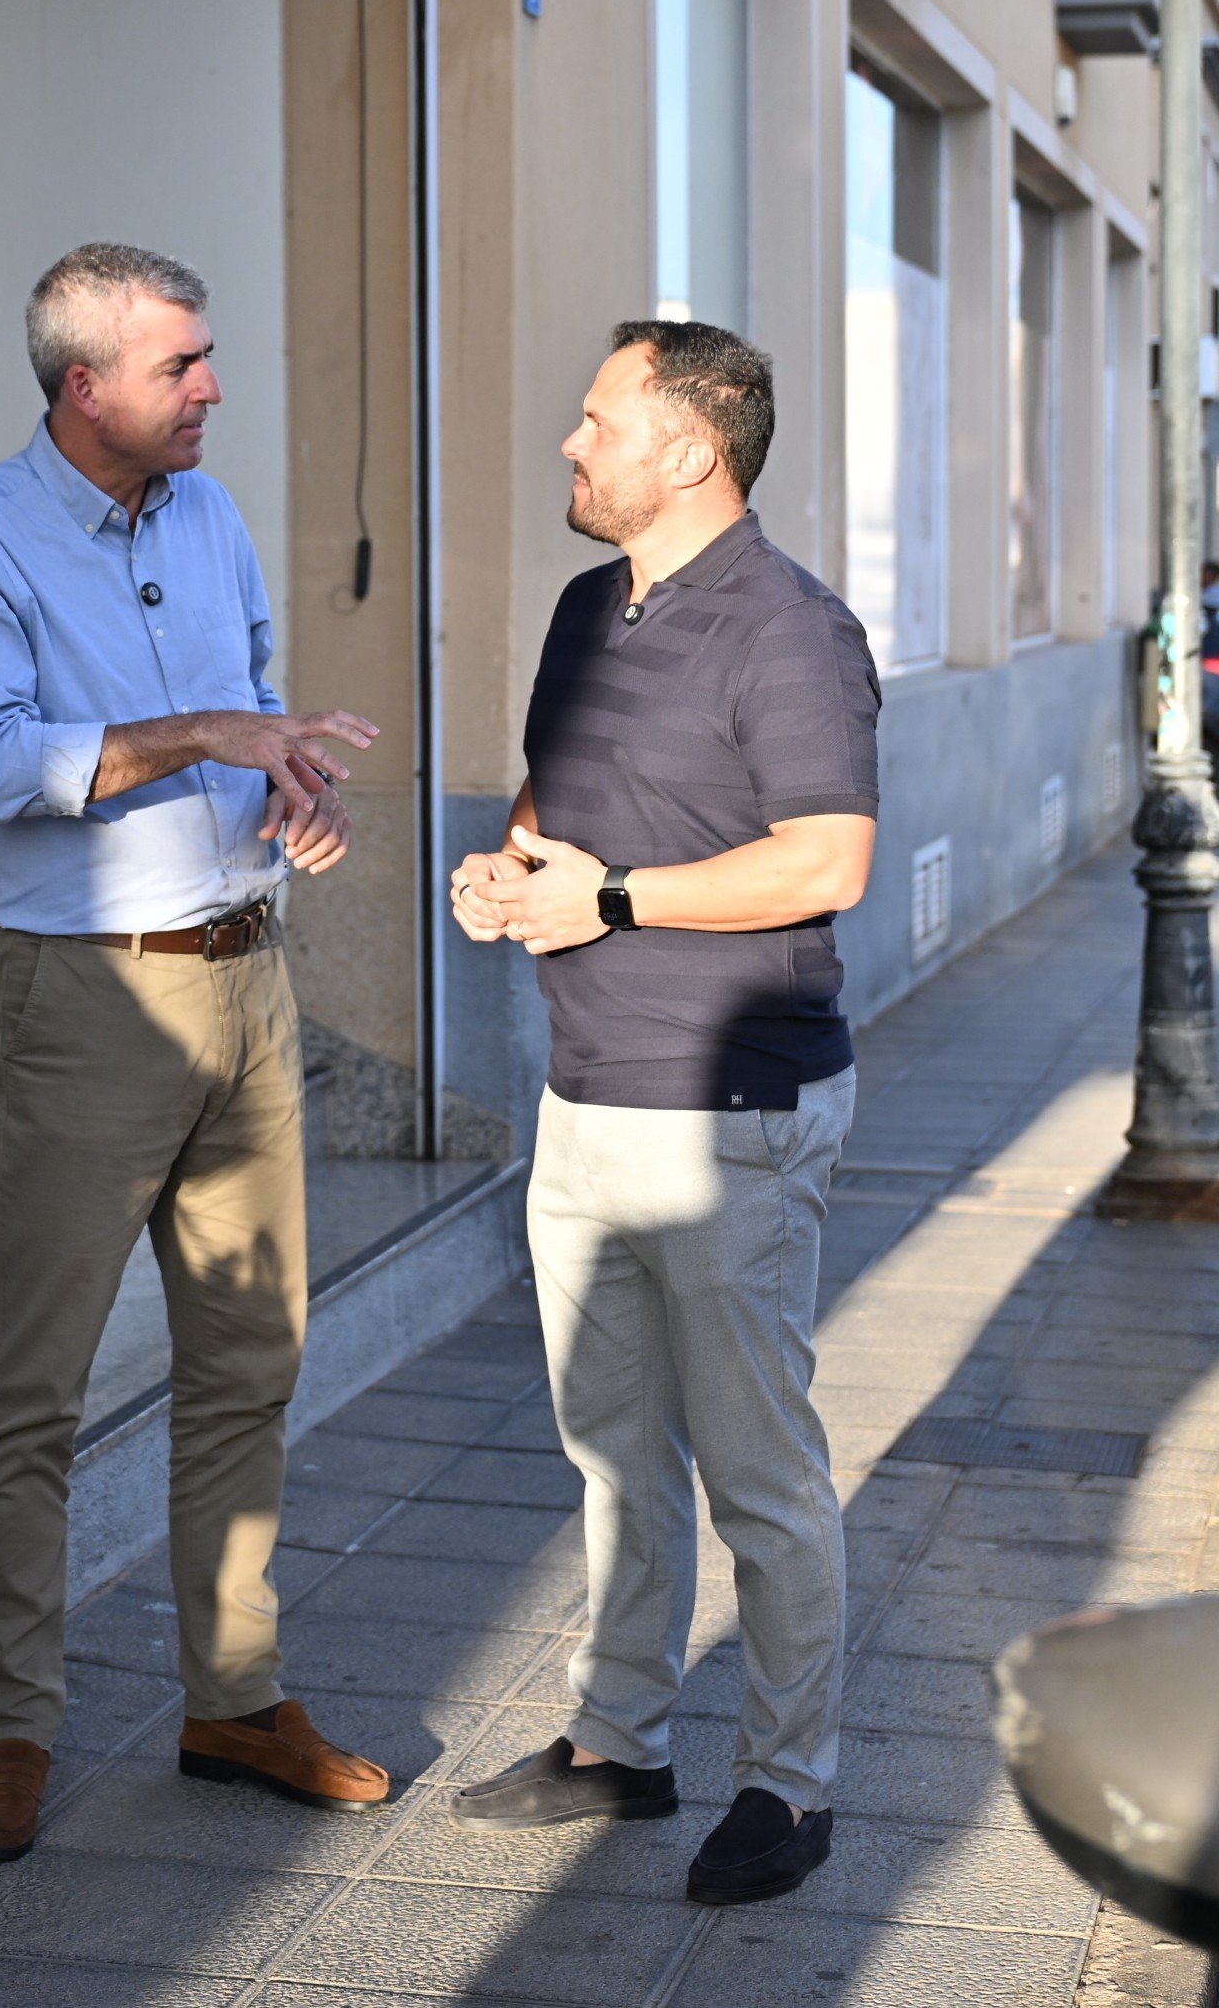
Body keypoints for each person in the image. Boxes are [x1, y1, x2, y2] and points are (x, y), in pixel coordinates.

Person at [0, 241, 392, 1864]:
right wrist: (206, 736)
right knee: (30, 1389)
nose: (212, 389)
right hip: (82, 1003)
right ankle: (11, 1730)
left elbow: (248, 710)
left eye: (207, 357)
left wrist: (286, 793)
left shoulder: (213, 513)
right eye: (183, 365)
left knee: (249, 1361)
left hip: (247, 984)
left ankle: (232, 1696)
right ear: (83, 382)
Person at [444, 321, 880, 1907]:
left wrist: (612, 896)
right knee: (610, 1452)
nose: (571, 443)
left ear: (691, 451)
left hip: (731, 1114)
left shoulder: (791, 632)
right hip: (585, 1094)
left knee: (759, 1467)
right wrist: (513, 868)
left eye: (596, 419)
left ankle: (793, 1780)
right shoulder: (585, 606)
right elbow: (558, 801)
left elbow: (824, 860)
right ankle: (620, 1740)